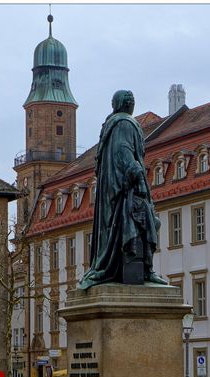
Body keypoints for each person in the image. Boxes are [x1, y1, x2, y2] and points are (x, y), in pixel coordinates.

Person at [78, 90, 169, 289]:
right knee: (141, 224)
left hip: (114, 188)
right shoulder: (124, 124)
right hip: (125, 188)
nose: (132, 103)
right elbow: (124, 151)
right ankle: (143, 269)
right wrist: (136, 171)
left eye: (133, 100)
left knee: (138, 226)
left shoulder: (110, 126)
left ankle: (142, 269)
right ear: (122, 104)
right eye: (129, 100)